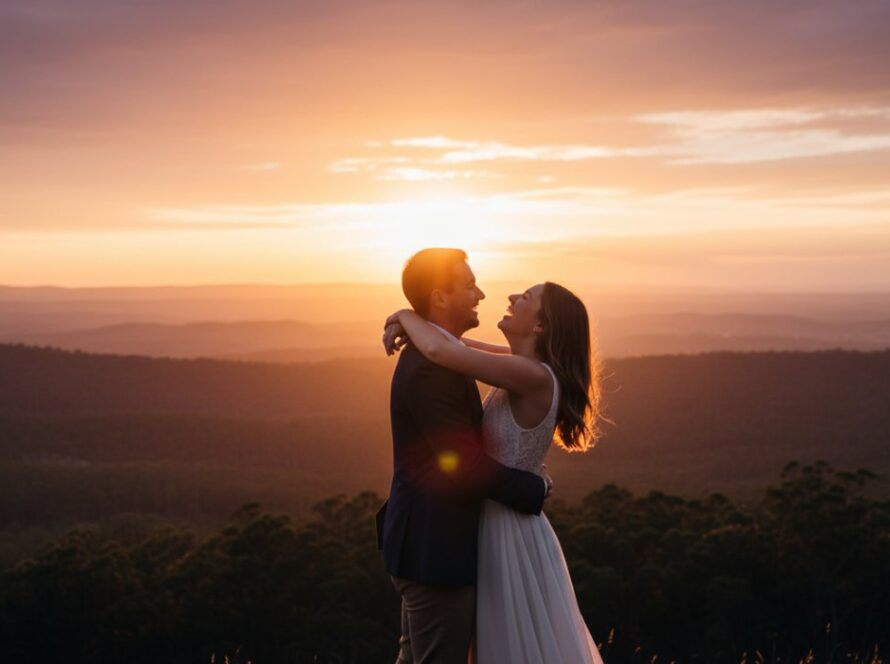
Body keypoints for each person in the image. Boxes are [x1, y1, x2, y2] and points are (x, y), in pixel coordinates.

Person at [383, 270, 605, 664]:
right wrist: (411, 318)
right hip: (483, 524)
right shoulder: (523, 363)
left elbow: (445, 351)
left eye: (527, 296)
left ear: (539, 325)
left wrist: (406, 313)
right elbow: (455, 343)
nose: (511, 294)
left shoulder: (531, 374)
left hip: (504, 527)